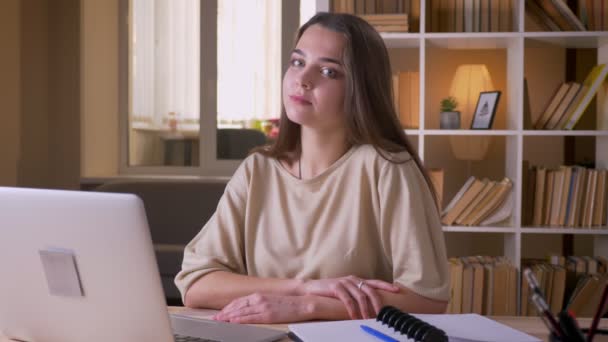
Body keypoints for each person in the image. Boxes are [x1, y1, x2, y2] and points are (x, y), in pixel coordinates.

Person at [175, 12, 449, 324]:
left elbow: (427, 298)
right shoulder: (257, 170)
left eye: (329, 72)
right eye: (297, 62)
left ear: (361, 88)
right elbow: (195, 284)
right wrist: (301, 288)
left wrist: (307, 306)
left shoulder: (386, 167)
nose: (303, 79)